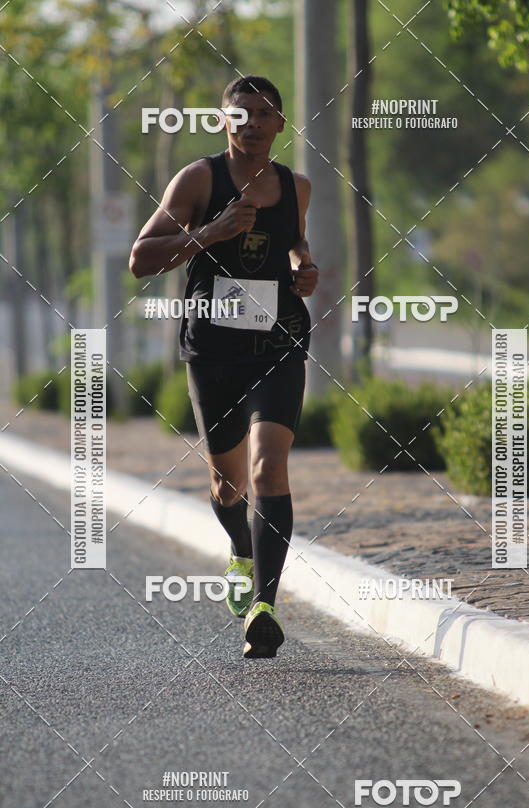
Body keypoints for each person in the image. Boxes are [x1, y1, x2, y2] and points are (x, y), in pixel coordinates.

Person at [129, 75, 319, 659]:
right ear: (223, 122)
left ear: (280, 125)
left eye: (265, 113)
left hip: (280, 342)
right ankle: (240, 548)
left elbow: (295, 244)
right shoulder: (198, 179)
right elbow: (140, 259)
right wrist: (207, 234)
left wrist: (304, 267)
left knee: (269, 469)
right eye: (242, 114)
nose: (253, 123)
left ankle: (264, 604)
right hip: (213, 350)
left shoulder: (296, 186)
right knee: (228, 483)